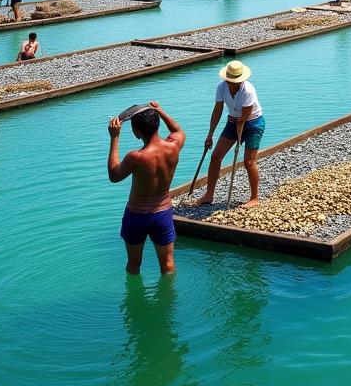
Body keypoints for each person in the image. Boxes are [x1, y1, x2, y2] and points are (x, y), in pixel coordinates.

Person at [108, 101, 186, 275]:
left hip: (136, 216)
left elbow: (114, 175)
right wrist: (161, 110)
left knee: (134, 265)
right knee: (168, 265)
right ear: (158, 124)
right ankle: (168, 301)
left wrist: (114, 138)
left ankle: (133, 301)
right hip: (162, 213)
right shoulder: (174, 146)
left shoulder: (136, 157)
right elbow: (178, 131)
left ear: (137, 133)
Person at [194, 60, 266, 206]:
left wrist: (238, 142)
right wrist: (210, 134)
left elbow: (244, 118)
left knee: (249, 162)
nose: (232, 84)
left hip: (253, 123)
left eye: (235, 82)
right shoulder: (221, 87)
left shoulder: (248, 90)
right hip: (233, 121)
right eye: (230, 81)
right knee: (215, 157)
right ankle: (209, 195)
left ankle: (254, 198)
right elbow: (218, 110)